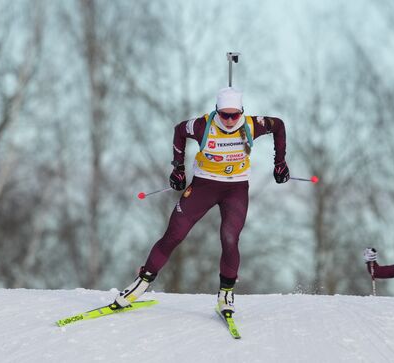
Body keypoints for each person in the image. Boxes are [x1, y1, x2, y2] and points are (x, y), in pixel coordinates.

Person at [112, 87, 289, 315]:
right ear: (216, 111)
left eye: (234, 115)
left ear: (241, 112)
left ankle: (226, 294)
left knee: (229, 238)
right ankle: (141, 283)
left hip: (235, 188)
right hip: (204, 185)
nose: (228, 120)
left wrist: (280, 162)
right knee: (174, 233)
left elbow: (279, 126)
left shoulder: (252, 125)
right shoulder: (202, 126)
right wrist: (178, 168)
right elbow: (178, 131)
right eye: (223, 115)